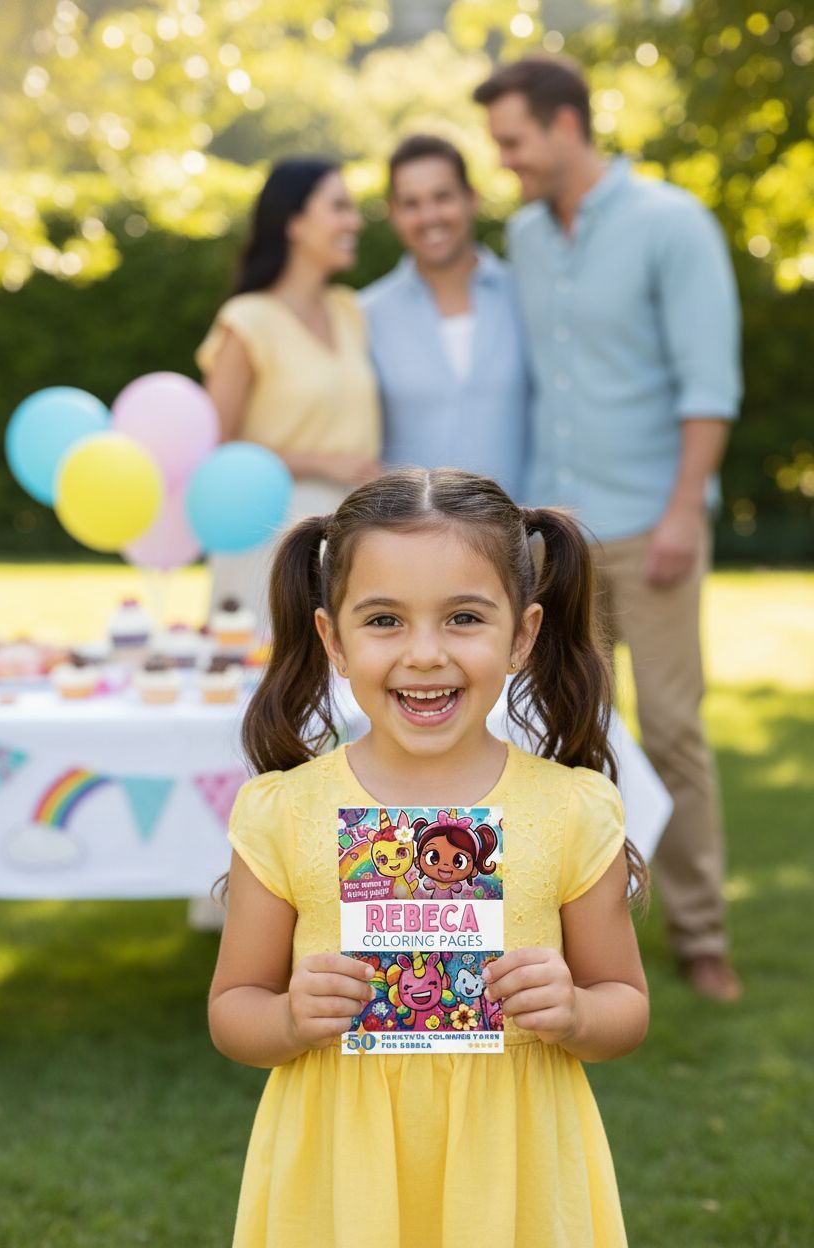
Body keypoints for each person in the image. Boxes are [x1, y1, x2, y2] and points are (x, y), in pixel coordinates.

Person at [208, 467, 649, 1248]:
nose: (423, 654)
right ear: (333, 641)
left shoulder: (570, 811)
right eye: (384, 619)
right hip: (342, 1178)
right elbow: (232, 1009)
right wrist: (286, 1017)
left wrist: (577, 1010)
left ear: (522, 635)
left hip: (512, 1170)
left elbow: (625, 1004)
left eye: (463, 618)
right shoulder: (285, 814)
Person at [474, 56, 743, 1002]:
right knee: (564, 732)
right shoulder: (525, 237)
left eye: (512, 142)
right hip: (559, 537)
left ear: (564, 125)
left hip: (654, 525)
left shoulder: (673, 224)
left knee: (670, 729)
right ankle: (565, 933)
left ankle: (701, 933)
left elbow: (710, 385)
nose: (503, 162)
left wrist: (682, 511)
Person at [196, 157, 382, 631]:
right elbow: (214, 451)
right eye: (339, 207)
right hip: (269, 537)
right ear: (295, 223)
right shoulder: (247, 320)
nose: (354, 221)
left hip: (354, 538)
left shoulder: (348, 311)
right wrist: (321, 462)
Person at [361, 135, 530, 500]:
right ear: (393, 212)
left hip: (522, 541)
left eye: (442, 197)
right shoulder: (366, 313)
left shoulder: (525, 295)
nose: (429, 217)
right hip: (411, 544)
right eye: (411, 203)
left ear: (472, 198)